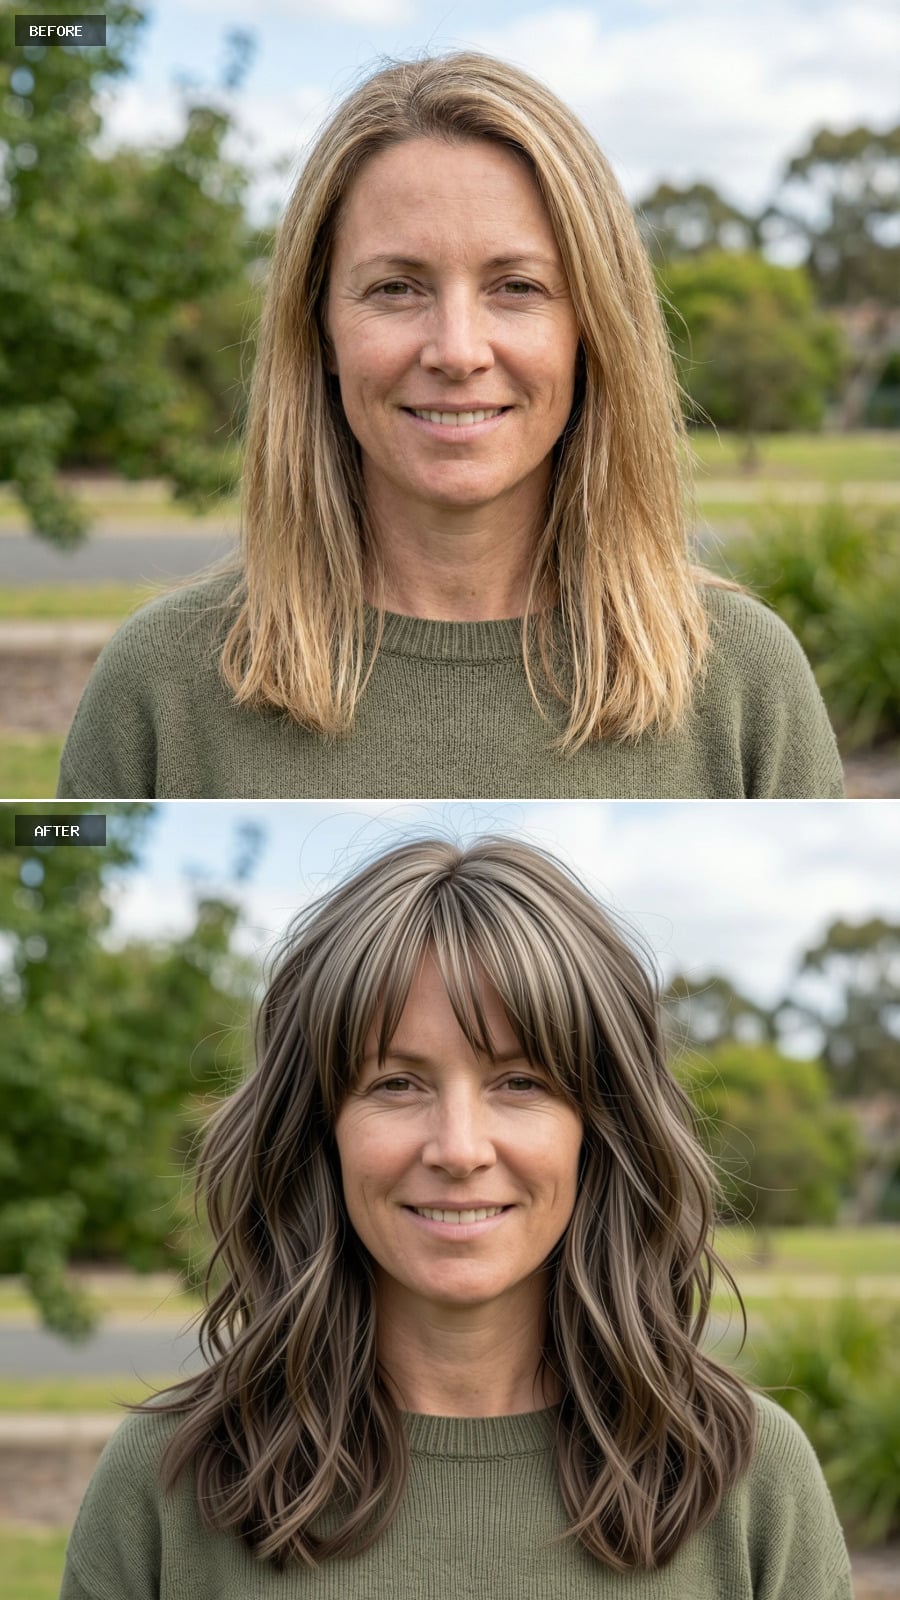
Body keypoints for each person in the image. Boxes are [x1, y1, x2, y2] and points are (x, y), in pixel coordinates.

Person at [59, 837, 852, 1598]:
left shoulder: (750, 1480)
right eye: (397, 1084)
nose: (460, 1148)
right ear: (318, 1130)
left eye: (520, 1083)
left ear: (600, 1130)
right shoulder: (168, 1483)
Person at [56, 52, 842, 800]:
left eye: (517, 287)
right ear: (319, 327)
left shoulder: (744, 679)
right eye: (396, 287)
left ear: (592, 329)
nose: (458, 351)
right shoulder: (159, 686)